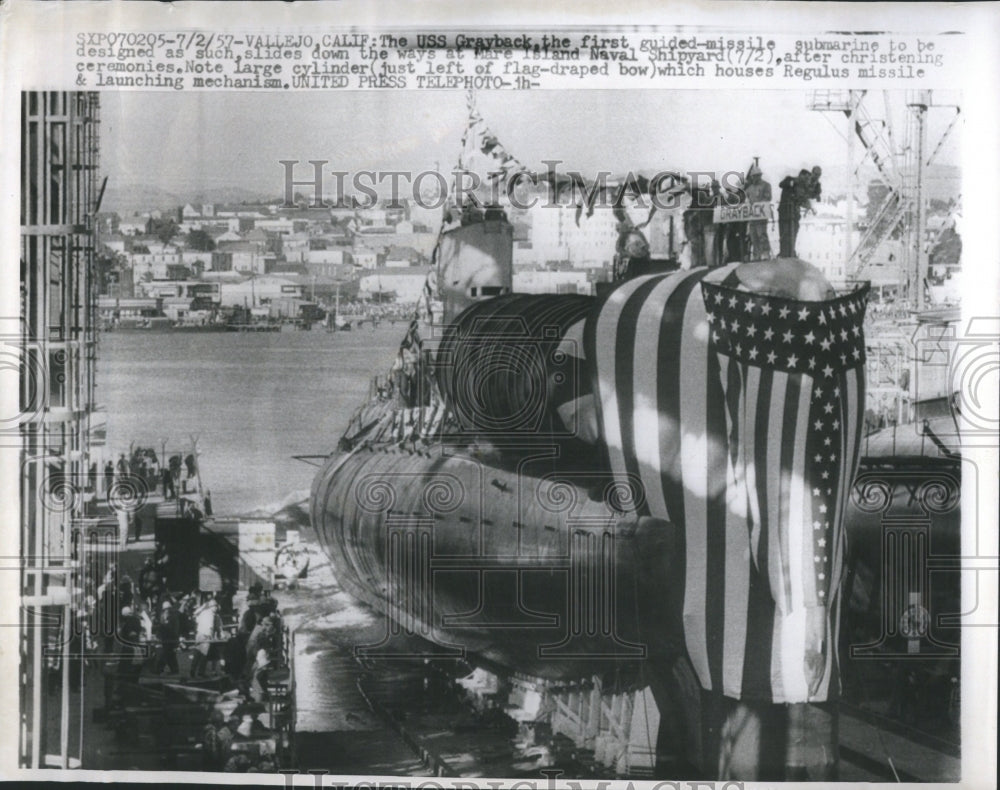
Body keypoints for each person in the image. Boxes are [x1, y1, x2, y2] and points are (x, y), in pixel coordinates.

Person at [745, 164, 773, 260]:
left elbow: (767, 198)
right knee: (753, 236)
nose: (754, 178)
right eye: (753, 176)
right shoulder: (749, 188)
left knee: (762, 235)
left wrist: (758, 205)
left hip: (761, 215)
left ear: (759, 176)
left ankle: (765, 253)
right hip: (752, 217)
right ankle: (756, 255)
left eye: (756, 176)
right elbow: (746, 200)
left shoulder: (766, 185)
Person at [190, 598, 223, 678]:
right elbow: (210, 628)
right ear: (211, 607)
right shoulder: (209, 614)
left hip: (201, 635)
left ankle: (193, 670)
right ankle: (200, 672)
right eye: (214, 606)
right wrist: (212, 637)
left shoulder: (209, 614)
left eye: (216, 606)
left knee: (198, 654)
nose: (215, 608)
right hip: (205, 636)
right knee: (203, 655)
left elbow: (218, 627)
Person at [154, 599, 181, 675]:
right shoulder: (163, 615)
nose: (167, 611)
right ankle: (174, 670)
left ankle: (160, 669)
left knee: (166, 654)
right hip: (166, 638)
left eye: (168, 609)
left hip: (170, 638)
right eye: (165, 609)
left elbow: (173, 628)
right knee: (169, 655)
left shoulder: (173, 617)